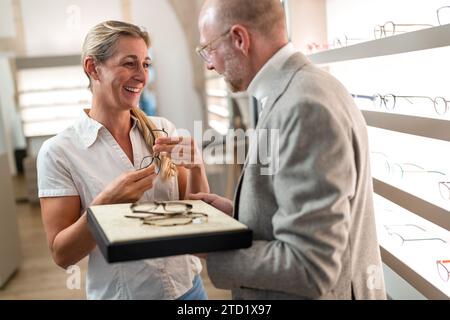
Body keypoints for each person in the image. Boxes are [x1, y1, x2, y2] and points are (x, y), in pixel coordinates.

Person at [190, 0, 387, 299]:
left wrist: (213, 250)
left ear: (240, 39)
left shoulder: (303, 106)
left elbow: (311, 267)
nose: (209, 64)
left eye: (209, 49)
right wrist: (238, 215)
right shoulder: (304, 88)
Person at [37, 20, 210, 300]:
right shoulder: (59, 152)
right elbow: (62, 254)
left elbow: (196, 220)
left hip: (189, 289)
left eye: (145, 64)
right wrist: (105, 205)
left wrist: (197, 167)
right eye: (129, 63)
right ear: (93, 67)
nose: (142, 75)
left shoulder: (162, 129)